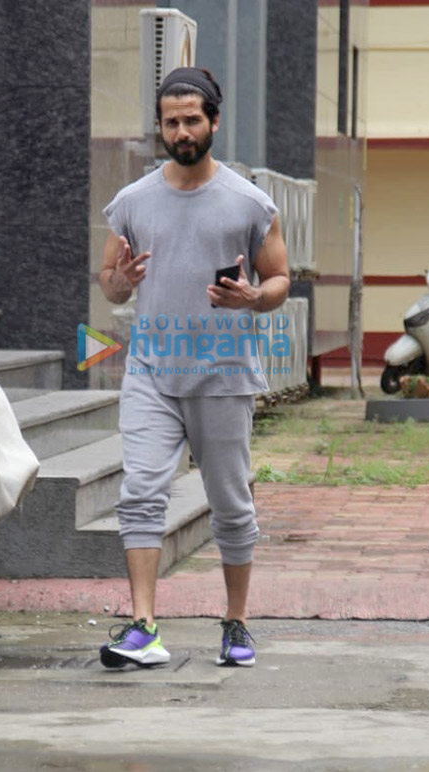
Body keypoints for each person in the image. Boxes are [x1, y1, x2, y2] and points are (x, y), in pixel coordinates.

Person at [98, 67, 289, 668]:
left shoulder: (249, 202)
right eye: (171, 121)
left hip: (223, 374)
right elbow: (109, 285)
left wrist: (255, 297)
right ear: (159, 127)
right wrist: (120, 283)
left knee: (230, 503)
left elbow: (280, 277)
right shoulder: (131, 202)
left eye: (192, 120)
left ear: (213, 122)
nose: (182, 130)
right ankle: (143, 627)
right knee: (141, 495)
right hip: (151, 371)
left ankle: (236, 624)